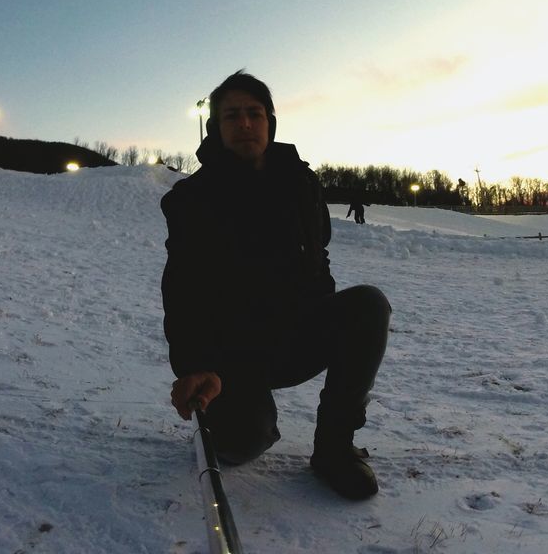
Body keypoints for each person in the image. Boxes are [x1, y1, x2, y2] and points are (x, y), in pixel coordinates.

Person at [160, 71, 391, 501]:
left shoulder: (300, 182)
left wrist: (325, 317)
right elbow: (181, 289)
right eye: (232, 116)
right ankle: (234, 418)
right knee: (242, 444)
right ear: (216, 128)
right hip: (231, 356)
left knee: (368, 306)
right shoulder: (194, 198)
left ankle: (333, 450)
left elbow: (317, 255)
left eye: (254, 113)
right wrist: (194, 365)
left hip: (295, 334)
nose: (245, 123)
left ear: (270, 121)